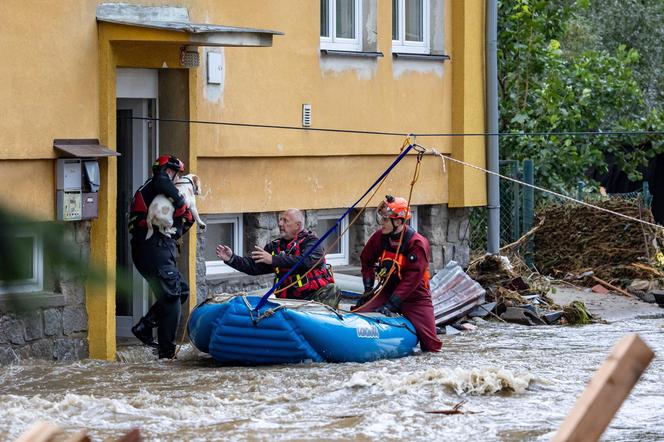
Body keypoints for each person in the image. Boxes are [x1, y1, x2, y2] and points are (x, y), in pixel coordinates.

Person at [353, 195, 442, 352]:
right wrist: (368, 289)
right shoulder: (380, 237)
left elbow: (411, 280)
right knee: (358, 314)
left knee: (431, 345)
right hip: (387, 291)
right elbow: (366, 260)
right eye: (382, 219)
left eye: (386, 220)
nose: (382, 223)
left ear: (399, 221)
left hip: (415, 297)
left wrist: (392, 305)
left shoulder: (417, 244)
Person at [128, 154, 194, 359]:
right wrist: (181, 201)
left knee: (180, 291)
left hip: (159, 247)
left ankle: (145, 326)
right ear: (169, 170)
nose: (177, 179)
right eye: (176, 174)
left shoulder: (157, 193)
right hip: (152, 247)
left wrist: (184, 218)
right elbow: (163, 181)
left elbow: (182, 224)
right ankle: (167, 353)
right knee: (172, 296)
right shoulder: (157, 183)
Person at [215, 208, 340, 307]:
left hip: (312, 298)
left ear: (297, 225)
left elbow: (305, 262)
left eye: (285, 221)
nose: (280, 224)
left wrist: (273, 260)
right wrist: (231, 258)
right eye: (280, 220)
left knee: (333, 289)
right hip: (287, 302)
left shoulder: (312, 242)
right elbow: (254, 267)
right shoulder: (275, 247)